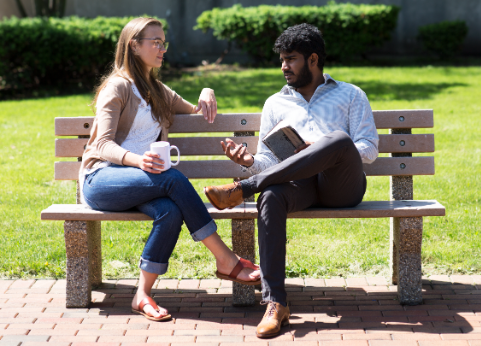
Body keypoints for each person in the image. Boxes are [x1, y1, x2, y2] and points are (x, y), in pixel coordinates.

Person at [204, 23, 379, 338]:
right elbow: (269, 161)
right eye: (282, 60)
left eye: (292, 59)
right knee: (269, 196)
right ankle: (275, 303)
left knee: (338, 139)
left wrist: (322, 149)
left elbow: (368, 148)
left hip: (341, 185)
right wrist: (249, 163)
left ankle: (241, 190)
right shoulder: (275, 103)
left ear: (313, 60)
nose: (284, 66)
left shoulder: (351, 95)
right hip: (300, 186)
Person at [80, 17, 260, 322]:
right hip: (102, 180)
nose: (162, 48)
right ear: (134, 46)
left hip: (144, 183)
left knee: (170, 211)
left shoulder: (156, 90)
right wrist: (137, 161)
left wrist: (206, 90)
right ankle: (226, 260)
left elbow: (196, 111)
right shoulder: (117, 88)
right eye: (156, 42)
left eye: (164, 42)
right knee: (172, 177)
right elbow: (101, 145)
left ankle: (142, 295)